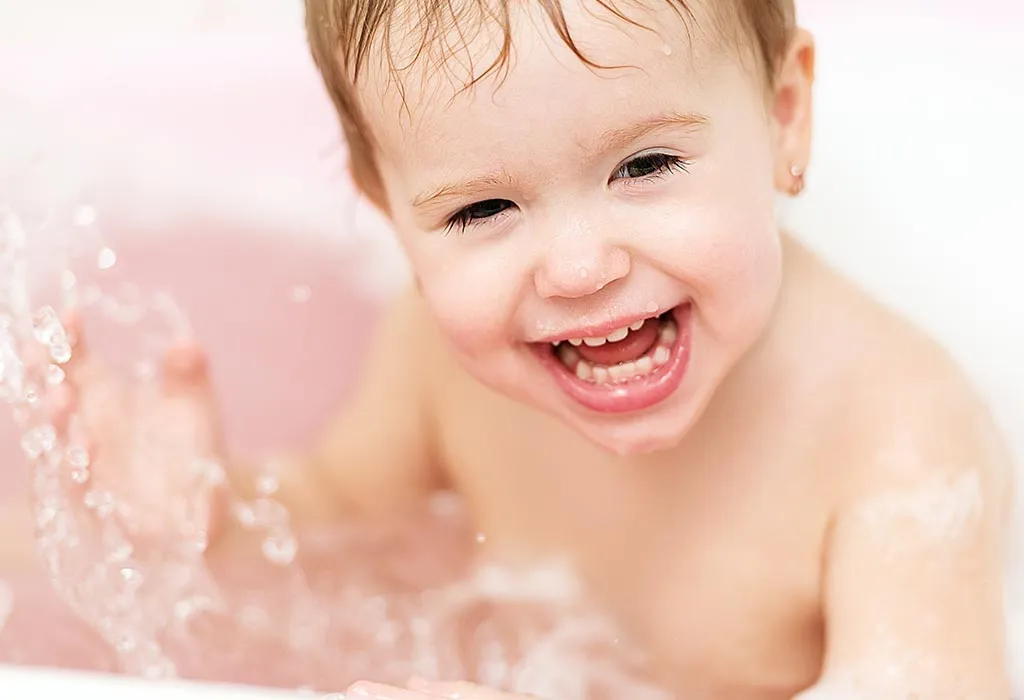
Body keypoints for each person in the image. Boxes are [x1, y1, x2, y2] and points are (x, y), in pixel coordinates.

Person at [33, 0, 1016, 698]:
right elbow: (338, 517)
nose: (578, 267)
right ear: (390, 215)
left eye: (646, 164)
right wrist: (206, 518)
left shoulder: (893, 439)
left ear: (783, 116)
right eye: (483, 208)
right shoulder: (434, 359)